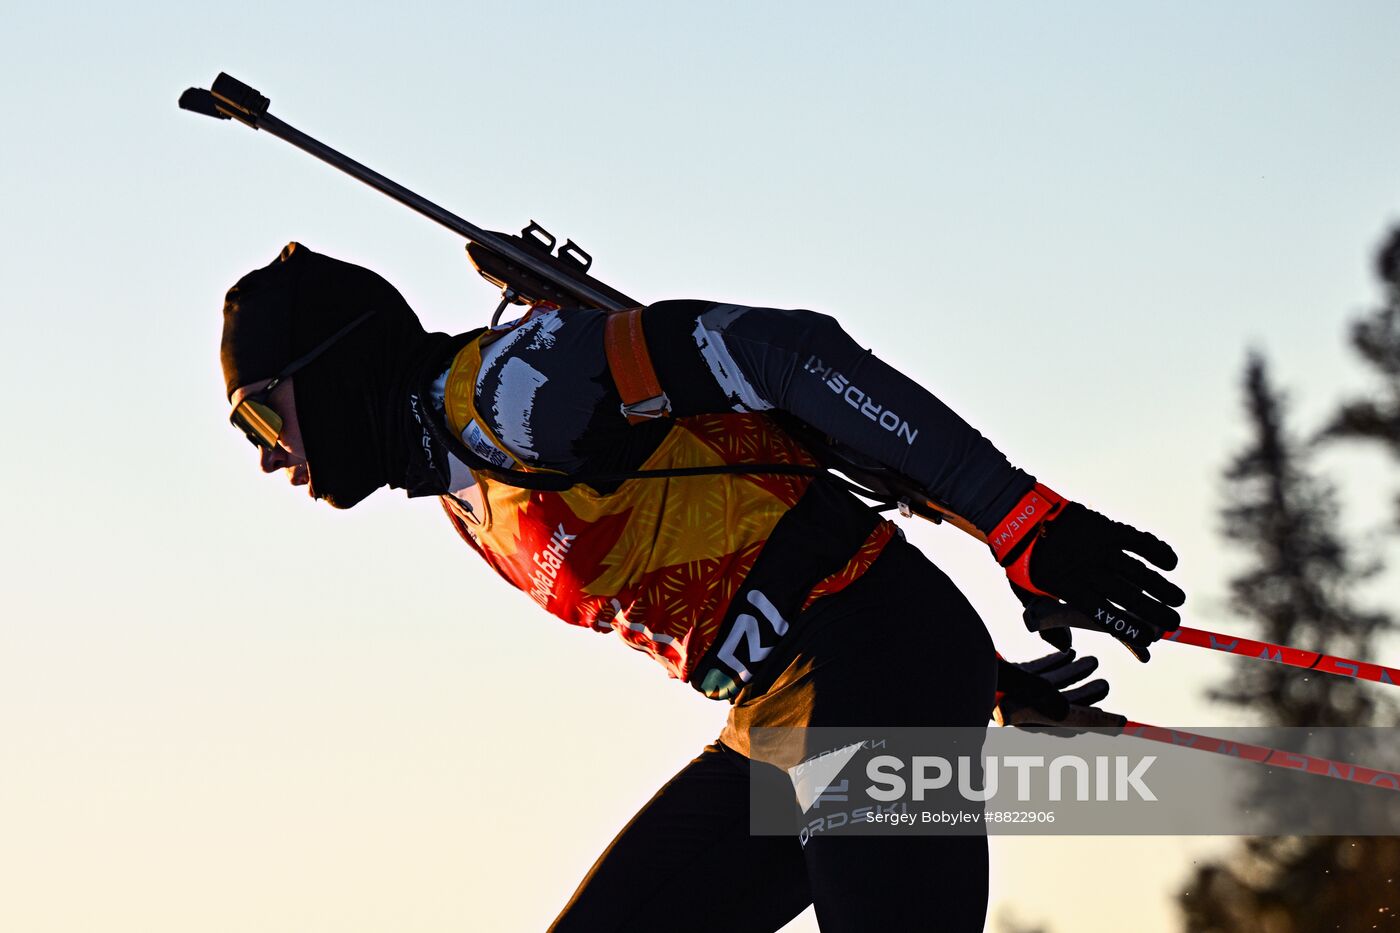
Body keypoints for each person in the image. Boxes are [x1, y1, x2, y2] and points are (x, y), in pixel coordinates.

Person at [219, 242, 1185, 932]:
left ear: (334, 368)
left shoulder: (509, 391)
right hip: (787, 707)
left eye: (266, 417)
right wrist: (972, 678)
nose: (270, 460)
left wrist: (1021, 519)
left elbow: (789, 355)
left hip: (861, 665)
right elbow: (742, 517)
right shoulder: (460, 487)